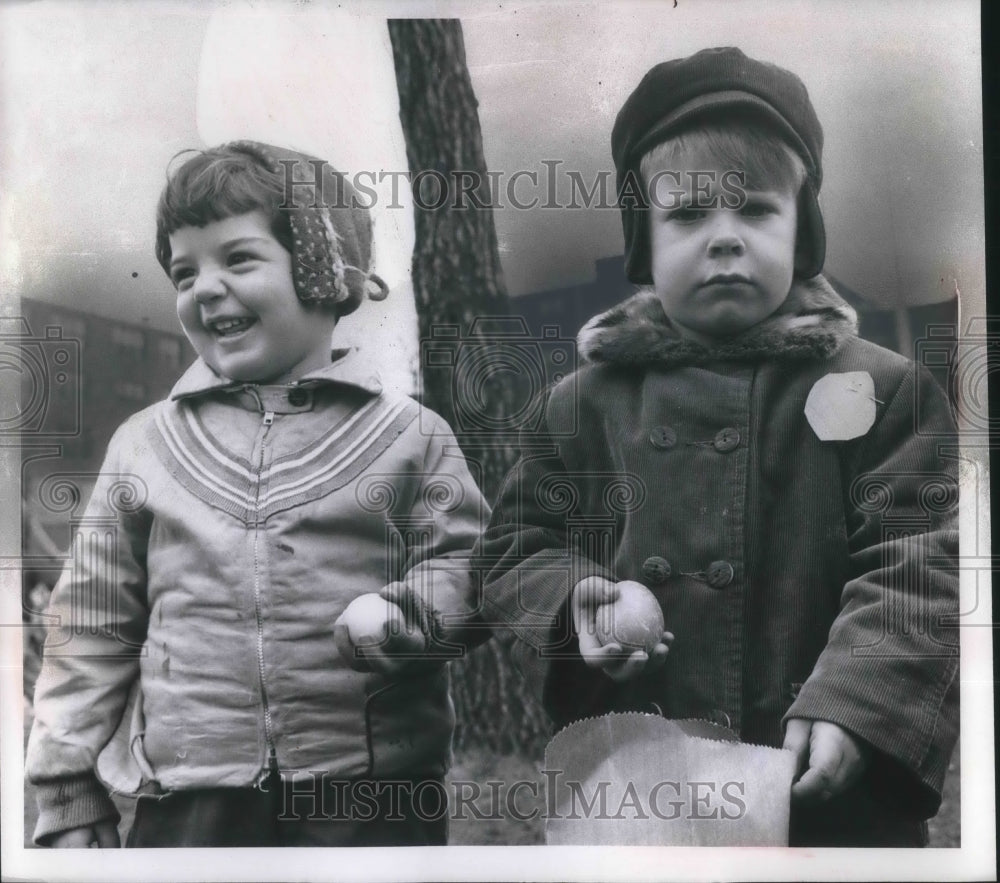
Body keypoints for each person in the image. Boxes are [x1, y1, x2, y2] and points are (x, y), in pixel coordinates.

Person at [476, 47, 959, 846]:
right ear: (643, 238)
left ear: (801, 228)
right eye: (689, 215)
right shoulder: (578, 406)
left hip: (823, 791)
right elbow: (512, 549)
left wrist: (856, 702)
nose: (724, 239)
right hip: (640, 793)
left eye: (756, 211)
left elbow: (919, 563)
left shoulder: (887, 391)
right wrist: (578, 596)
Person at [26, 141, 488, 847]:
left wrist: (409, 614)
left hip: (372, 802)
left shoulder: (409, 435)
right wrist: (65, 789)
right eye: (184, 272)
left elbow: (475, 572)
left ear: (325, 272)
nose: (204, 287)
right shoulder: (144, 444)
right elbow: (90, 622)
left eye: (238, 259)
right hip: (190, 806)